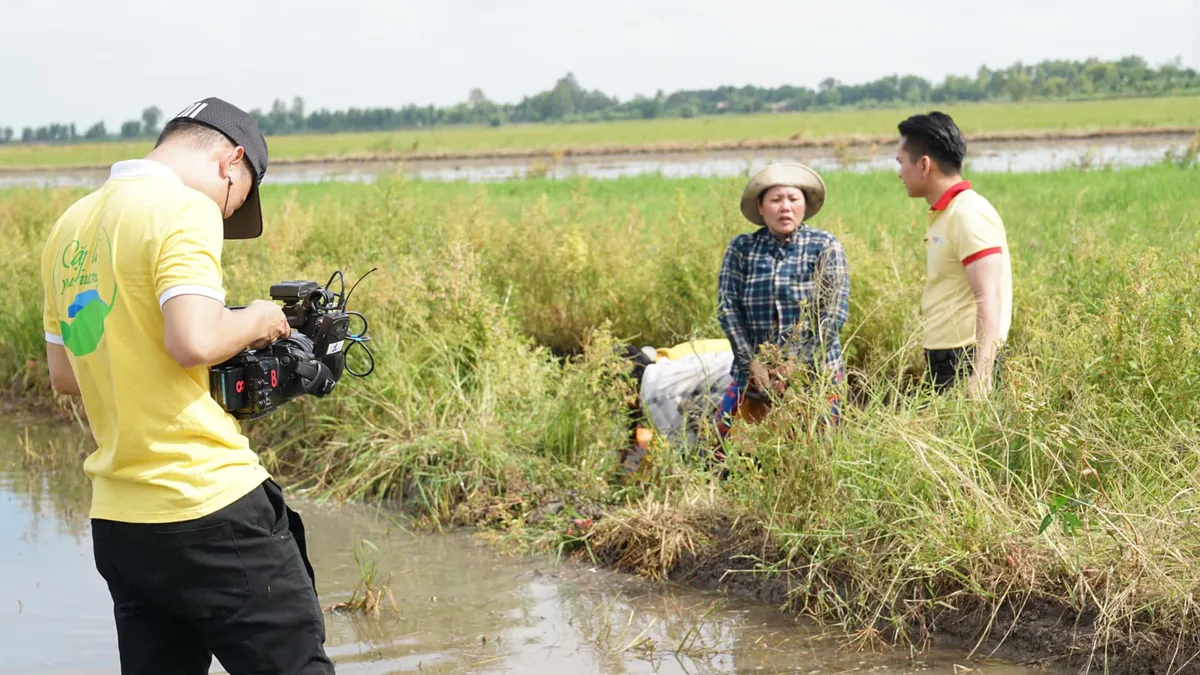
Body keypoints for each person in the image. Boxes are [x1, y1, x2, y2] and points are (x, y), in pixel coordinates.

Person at [39, 97, 335, 674]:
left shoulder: (71, 225)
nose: (225, 215)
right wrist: (255, 320)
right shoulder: (183, 209)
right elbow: (194, 342)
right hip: (207, 507)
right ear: (232, 162)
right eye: (237, 201)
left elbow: (65, 373)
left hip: (122, 526)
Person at [714, 162, 850, 440]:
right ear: (761, 207)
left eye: (792, 199)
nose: (785, 207)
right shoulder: (742, 248)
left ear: (804, 205)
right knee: (724, 443)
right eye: (776, 200)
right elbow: (727, 308)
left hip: (815, 373)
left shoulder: (824, 246)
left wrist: (795, 362)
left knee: (814, 450)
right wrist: (751, 363)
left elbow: (833, 313)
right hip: (754, 376)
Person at [895, 111, 1013, 398]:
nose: (899, 173)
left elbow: (990, 295)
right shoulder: (946, 212)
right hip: (947, 358)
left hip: (965, 359)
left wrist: (981, 374)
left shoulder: (968, 213)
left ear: (924, 165)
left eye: (900, 163)